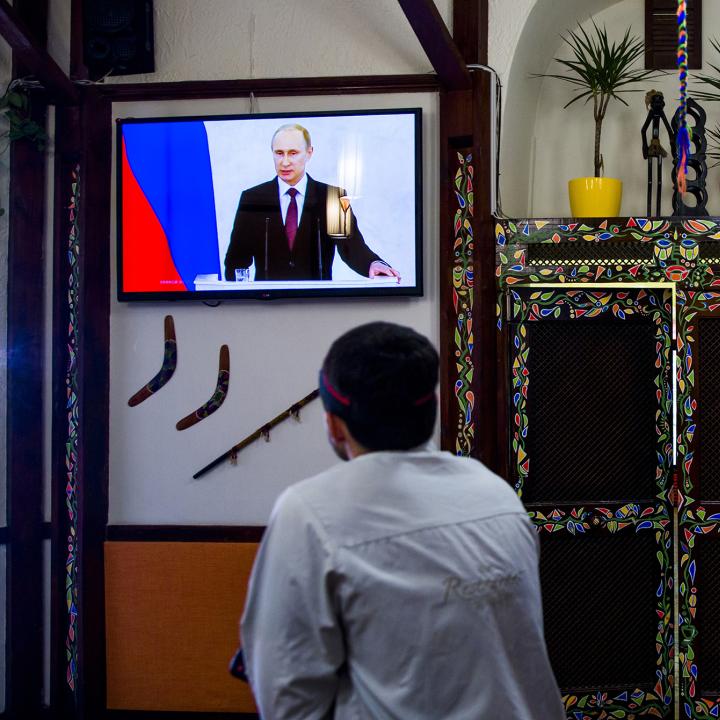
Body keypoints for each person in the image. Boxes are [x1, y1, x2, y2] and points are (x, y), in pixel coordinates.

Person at [237, 321, 565, 719]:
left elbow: (287, 695)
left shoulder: (310, 511)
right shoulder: (496, 493)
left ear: (334, 424)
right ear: (433, 408)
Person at [223, 124, 401, 282]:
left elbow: (352, 249)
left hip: (318, 305)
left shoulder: (333, 198)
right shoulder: (253, 198)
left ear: (309, 153)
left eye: (293, 153)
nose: (285, 162)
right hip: (267, 306)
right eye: (279, 153)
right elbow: (236, 261)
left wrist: (373, 264)